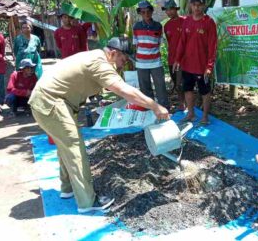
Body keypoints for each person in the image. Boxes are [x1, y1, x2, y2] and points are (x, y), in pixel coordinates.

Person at [28, 37, 169, 213]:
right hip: (51, 103)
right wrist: (155, 106)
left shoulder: (96, 56)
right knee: (74, 148)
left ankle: (68, 189)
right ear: (113, 53)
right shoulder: (100, 63)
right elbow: (125, 91)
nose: (123, 65)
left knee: (65, 145)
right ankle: (87, 203)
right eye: (123, 60)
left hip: (53, 101)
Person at [173, 0, 217, 125]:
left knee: (205, 91)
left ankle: (205, 117)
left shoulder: (209, 22)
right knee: (188, 89)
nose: (196, 8)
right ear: (190, 5)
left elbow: (213, 46)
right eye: (194, 5)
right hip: (187, 65)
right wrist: (177, 59)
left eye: (199, 5)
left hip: (202, 67)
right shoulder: (186, 21)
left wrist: (209, 66)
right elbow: (182, 42)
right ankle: (191, 114)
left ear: (204, 5)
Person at [133, 0, 169, 109]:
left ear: (152, 11)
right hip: (141, 64)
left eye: (148, 11)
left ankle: (164, 110)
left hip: (156, 62)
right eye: (143, 12)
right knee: (145, 89)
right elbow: (136, 45)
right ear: (140, 13)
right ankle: (150, 110)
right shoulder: (136, 26)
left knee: (161, 87)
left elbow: (159, 43)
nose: (146, 14)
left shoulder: (158, 26)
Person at [162, 0, 186, 111]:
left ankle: (183, 103)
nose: (169, 12)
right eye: (167, 10)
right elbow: (170, 42)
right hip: (171, 58)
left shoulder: (185, 21)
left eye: (171, 9)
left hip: (184, 59)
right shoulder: (166, 26)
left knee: (181, 83)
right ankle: (182, 102)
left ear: (176, 9)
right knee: (176, 82)